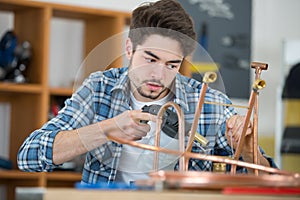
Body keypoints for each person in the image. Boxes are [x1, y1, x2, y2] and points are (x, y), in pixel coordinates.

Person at [17, 0, 276, 185]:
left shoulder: (210, 102)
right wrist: (104, 130)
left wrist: (248, 152)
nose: (158, 75)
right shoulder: (99, 89)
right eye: (150, 59)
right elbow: (28, 157)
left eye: (171, 65)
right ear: (129, 49)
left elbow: (269, 181)